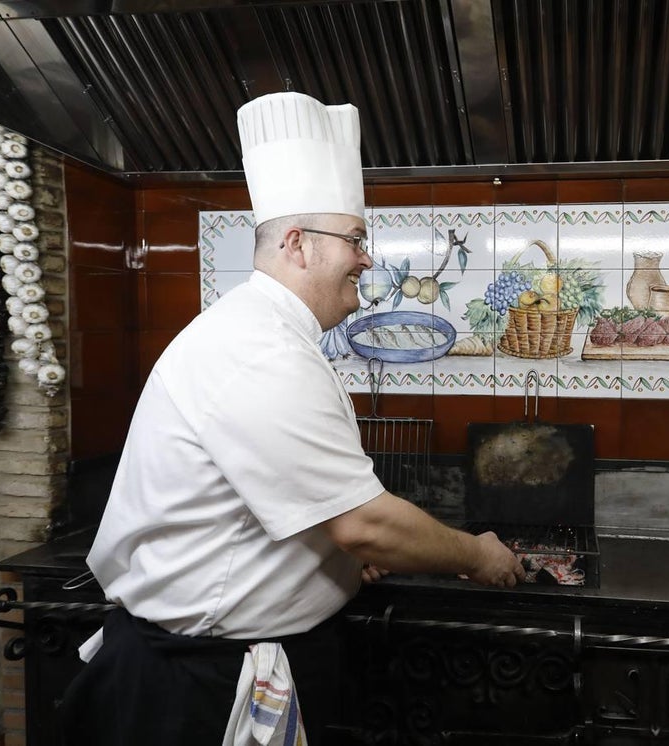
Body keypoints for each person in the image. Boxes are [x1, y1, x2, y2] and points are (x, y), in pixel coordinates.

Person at [57, 91, 525, 746]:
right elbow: (363, 523)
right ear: (298, 245)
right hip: (203, 688)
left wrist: (321, 562)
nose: (367, 259)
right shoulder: (263, 352)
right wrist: (477, 555)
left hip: (230, 661)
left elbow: (273, 506)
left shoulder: (269, 336)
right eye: (356, 240)